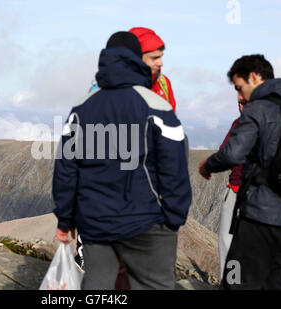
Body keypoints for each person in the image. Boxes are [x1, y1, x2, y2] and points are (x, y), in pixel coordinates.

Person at [53, 31, 192, 290]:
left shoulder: (81, 108)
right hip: (145, 221)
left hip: (95, 222)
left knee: (97, 286)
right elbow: (175, 167)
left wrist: (65, 219)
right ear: (137, 59)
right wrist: (174, 217)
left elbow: (66, 168)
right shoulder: (156, 105)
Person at [199, 54, 281, 289]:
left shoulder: (258, 110)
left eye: (240, 88)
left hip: (260, 216)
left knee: (237, 279)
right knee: (279, 281)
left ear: (255, 77)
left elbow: (232, 154)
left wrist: (207, 165)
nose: (240, 96)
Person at [216, 101, 244, 279]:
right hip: (264, 196)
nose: (240, 105)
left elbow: (224, 154)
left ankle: (230, 283)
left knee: (228, 241)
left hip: (237, 189)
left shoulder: (240, 123)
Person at [129, 27, 177, 113]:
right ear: (136, 57)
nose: (160, 63)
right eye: (154, 58)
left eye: (161, 57)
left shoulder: (164, 82)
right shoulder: (116, 84)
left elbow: (172, 120)